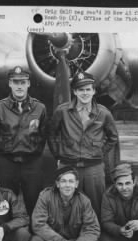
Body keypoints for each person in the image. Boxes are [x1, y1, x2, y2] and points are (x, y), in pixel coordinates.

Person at [47, 71, 119, 220]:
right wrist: (59, 154)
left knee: (96, 203)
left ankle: (96, 236)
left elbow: (113, 137)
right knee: (65, 202)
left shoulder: (103, 113)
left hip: (94, 168)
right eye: (81, 89)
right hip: (68, 165)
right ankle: (67, 236)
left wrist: (99, 151)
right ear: (74, 91)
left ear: (94, 91)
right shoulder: (62, 111)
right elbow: (52, 134)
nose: (84, 93)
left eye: (88, 89)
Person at [29, 166, 105, 241]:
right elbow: (38, 224)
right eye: (63, 181)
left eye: (71, 181)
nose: (67, 185)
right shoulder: (45, 196)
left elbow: (93, 228)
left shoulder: (84, 201)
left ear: (76, 184)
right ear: (57, 184)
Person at [0, 66, 47, 216]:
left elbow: (44, 134)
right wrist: (3, 155)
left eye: (23, 82)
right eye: (16, 82)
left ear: (29, 84)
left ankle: (35, 234)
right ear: (10, 84)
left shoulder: (39, 108)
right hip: (8, 163)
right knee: (5, 204)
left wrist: (34, 152)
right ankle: (6, 234)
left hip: (31, 163)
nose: (19, 86)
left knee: (34, 202)